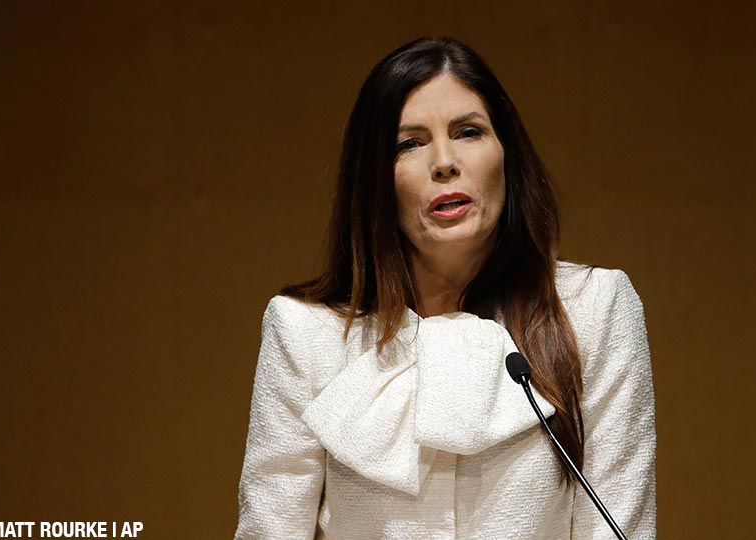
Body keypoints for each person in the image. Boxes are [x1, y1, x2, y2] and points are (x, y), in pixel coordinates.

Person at [234, 36, 656, 540]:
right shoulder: (305, 331)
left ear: (507, 155)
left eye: (468, 132)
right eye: (409, 143)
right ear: (375, 180)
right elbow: (270, 528)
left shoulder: (595, 309)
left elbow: (618, 525)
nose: (444, 162)